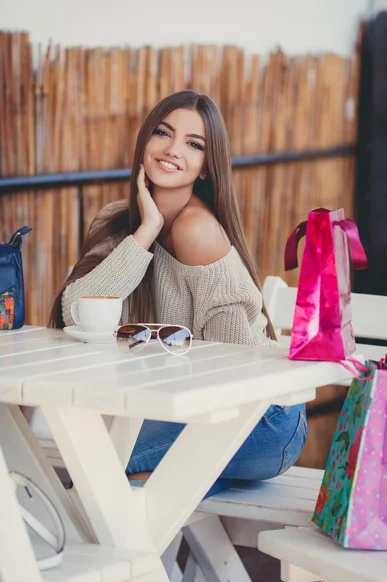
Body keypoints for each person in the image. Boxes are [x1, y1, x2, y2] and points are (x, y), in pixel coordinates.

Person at [49, 90, 307, 496]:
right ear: (145, 142)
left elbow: (238, 363)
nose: (172, 150)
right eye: (163, 133)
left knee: (98, 472)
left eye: (193, 144)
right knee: (111, 478)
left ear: (206, 167)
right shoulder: (119, 222)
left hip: (263, 417)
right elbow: (76, 314)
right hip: (183, 410)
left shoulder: (197, 232)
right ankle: (163, 488)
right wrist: (146, 231)